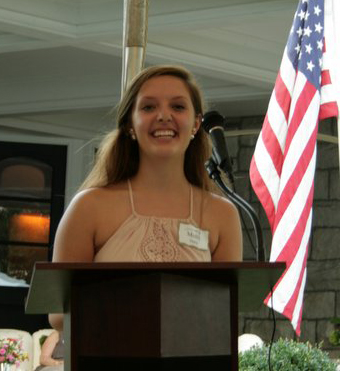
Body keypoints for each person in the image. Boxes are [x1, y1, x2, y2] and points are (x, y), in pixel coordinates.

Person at [49, 65, 242, 330]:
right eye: (149, 107)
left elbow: (224, 313)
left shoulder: (223, 214)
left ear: (196, 124)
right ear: (130, 123)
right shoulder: (89, 207)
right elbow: (59, 314)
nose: (164, 116)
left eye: (178, 107)